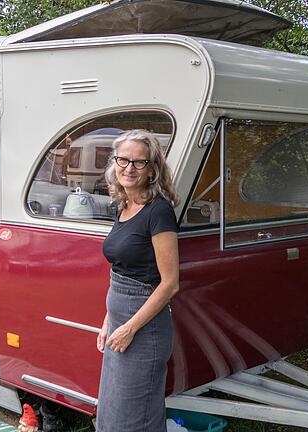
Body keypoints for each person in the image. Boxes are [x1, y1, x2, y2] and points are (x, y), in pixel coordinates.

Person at [96, 129, 180, 431]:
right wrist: (109, 321)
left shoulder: (158, 212)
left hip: (144, 330)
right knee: (113, 408)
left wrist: (129, 328)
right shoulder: (125, 205)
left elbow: (170, 283)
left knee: (135, 416)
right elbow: (122, 268)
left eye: (138, 162)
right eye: (123, 160)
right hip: (121, 324)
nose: (129, 168)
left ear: (152, 169)